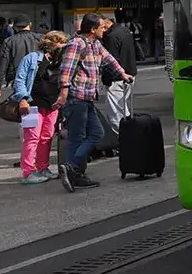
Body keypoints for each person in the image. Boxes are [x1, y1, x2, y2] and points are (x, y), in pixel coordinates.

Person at [56, 13, 130, 191]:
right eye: (102, 27)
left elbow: (110, 60)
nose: (105, 30)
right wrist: (64, 92)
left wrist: (123, 74)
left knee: (96, 134)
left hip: (88, 98)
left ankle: (73, 169)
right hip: (76, 98)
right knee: (77, 137)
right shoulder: (77, 44)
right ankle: (75, 172)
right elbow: (66, 70)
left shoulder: (96, 44)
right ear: (92, 29)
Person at [9, 31, 70, 184]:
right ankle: (28, 171)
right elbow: (20, 79)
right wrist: (22, 99)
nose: (62, 49)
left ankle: (43, 167)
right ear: (50, 45)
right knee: (32, 138)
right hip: (33, 105)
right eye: (59, 45)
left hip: (52, 105)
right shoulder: (32, 58)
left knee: (47, 137)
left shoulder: (61, 61)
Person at [100, 15, 138, 126]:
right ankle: (128, 133)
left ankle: (123, 137)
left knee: (115, 114)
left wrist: (106, 79)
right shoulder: (125, 31)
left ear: (105, 25)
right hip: (130, 72)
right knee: (123, 107)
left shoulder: (110, 36)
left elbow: (110, 60)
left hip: (117, 78)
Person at [0, 14, 39, 95]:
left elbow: (2, 65)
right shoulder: (41, 38)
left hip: (16, 80)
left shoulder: (9, 41)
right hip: (38, 79)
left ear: (14, 26)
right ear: (30, 24)